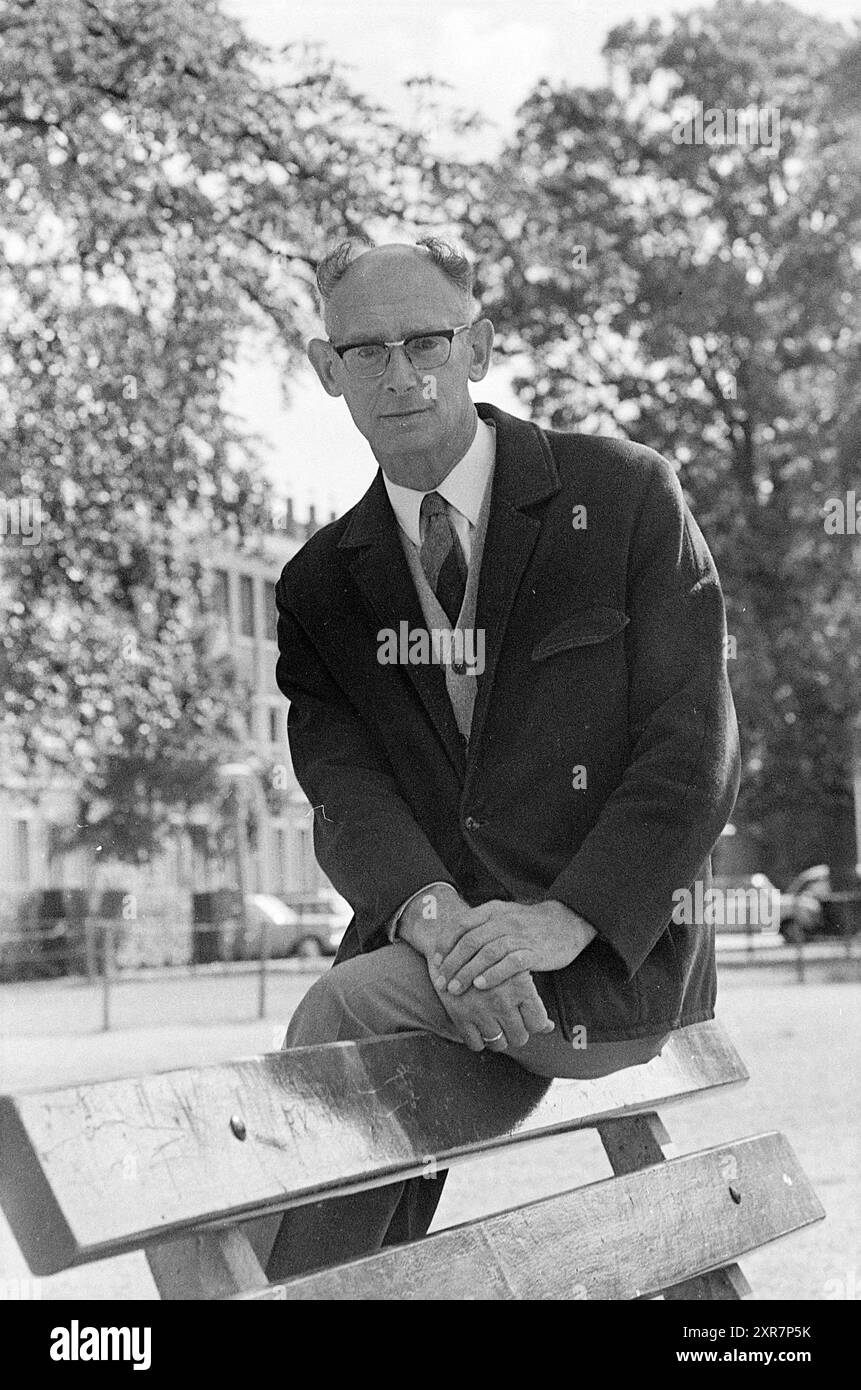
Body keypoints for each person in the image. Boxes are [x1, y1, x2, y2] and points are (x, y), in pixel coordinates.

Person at [265, 235, 740, 1280]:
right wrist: (445, 930)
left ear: (478, 347)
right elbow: (348, 796)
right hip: (449, 982)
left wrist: (559, 921)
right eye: (367, 351)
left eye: (428, 341)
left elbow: (693, 747)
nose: (401, 375)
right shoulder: (317, 585)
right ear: (324, 369)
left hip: (611, 969)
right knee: (363, 1051)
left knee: (341, 1017)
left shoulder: (621, 496)